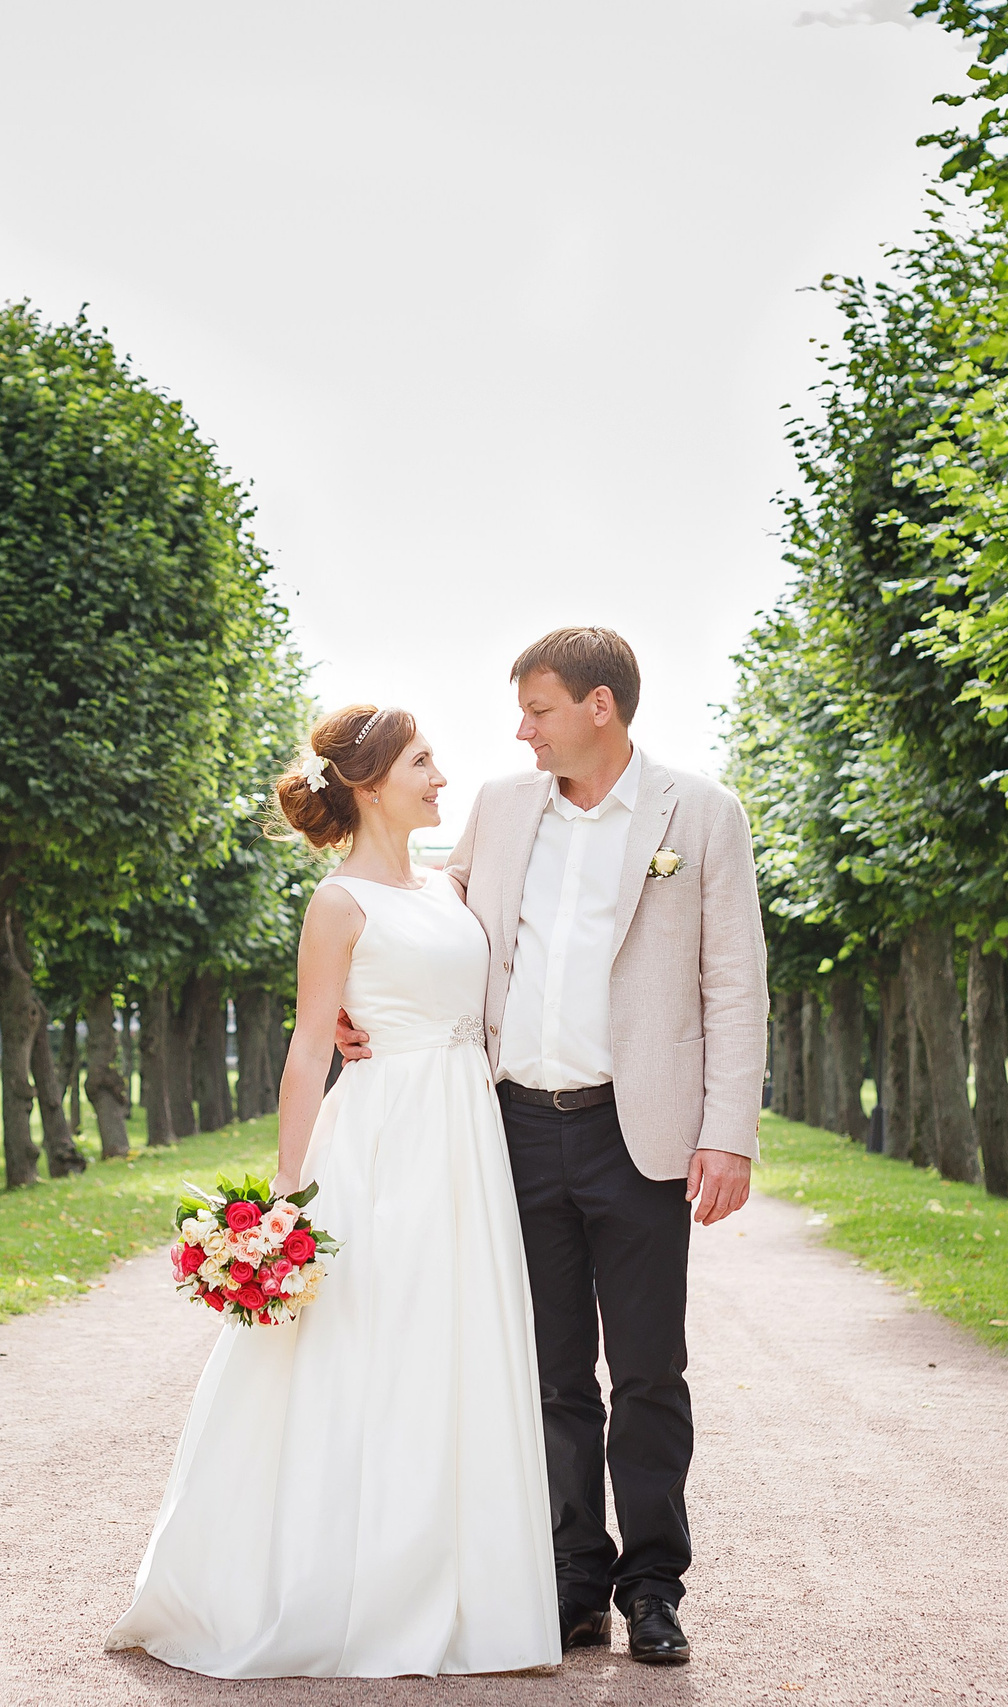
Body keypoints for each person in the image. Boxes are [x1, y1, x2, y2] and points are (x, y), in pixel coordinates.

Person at [104, 703, 561, 1680]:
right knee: (369, 1349)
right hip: (383, 1139)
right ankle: (339, 1592)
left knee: (454, 1351)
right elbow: (311, 1048)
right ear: (367, 780)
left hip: (463, 1136)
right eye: (422, 761)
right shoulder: (338, 903)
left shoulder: (448, 888)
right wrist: (285, 1190)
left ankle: (460, 1591)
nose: (441, 777)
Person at [340, 626, 768, 1665]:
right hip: (512, 1126)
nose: (519, 731)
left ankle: (653, 1587)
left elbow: (734, 983)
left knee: (649, 1371)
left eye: (536, 710)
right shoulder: (500, 806)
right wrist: (355, 1005)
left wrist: (727, 1134)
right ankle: (573, 1575)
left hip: (640, 1135)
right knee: (547, 1371)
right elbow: (422, 908)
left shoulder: (700, 815)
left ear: (598, 708)